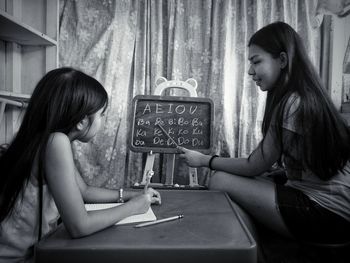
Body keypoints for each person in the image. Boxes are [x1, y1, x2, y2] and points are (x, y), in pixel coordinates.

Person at [179, 22, 350, 244]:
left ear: (282, 60)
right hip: (332, 209)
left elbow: (254, 164)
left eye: (256, 61)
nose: (250, 71)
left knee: (220, 180)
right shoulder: (305, 96)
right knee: (251, 178)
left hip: (327, 215)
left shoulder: (293, 102)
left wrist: (204, 160)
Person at [0, 67, 161, 262]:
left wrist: (130, 195)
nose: (102, 121)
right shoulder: (56, 143)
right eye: (101, 114)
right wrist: (134, 207)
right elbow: (79, 226)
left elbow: (83, 191)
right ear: (81, 121)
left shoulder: (40, 139)